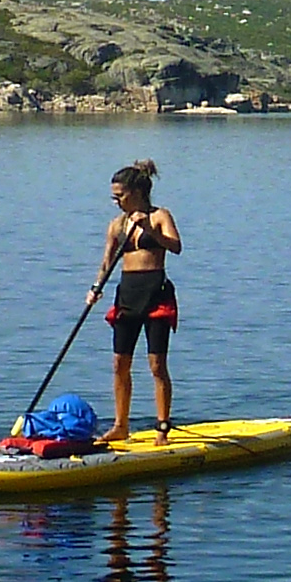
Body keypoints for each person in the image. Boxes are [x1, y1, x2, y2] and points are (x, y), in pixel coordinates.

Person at [95, 159, 182, 442]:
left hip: (155, 293)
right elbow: (107, 261)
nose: (117, 201)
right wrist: (96, 287)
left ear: (136, 192)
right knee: (120, 363)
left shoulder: (159, 216)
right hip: (127, 295)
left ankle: (163, 427)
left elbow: (176, 246)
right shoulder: (116, 225)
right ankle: (121, 425)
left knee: (157, 365)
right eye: (114, 197)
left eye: (120, 196)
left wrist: (151, 231)